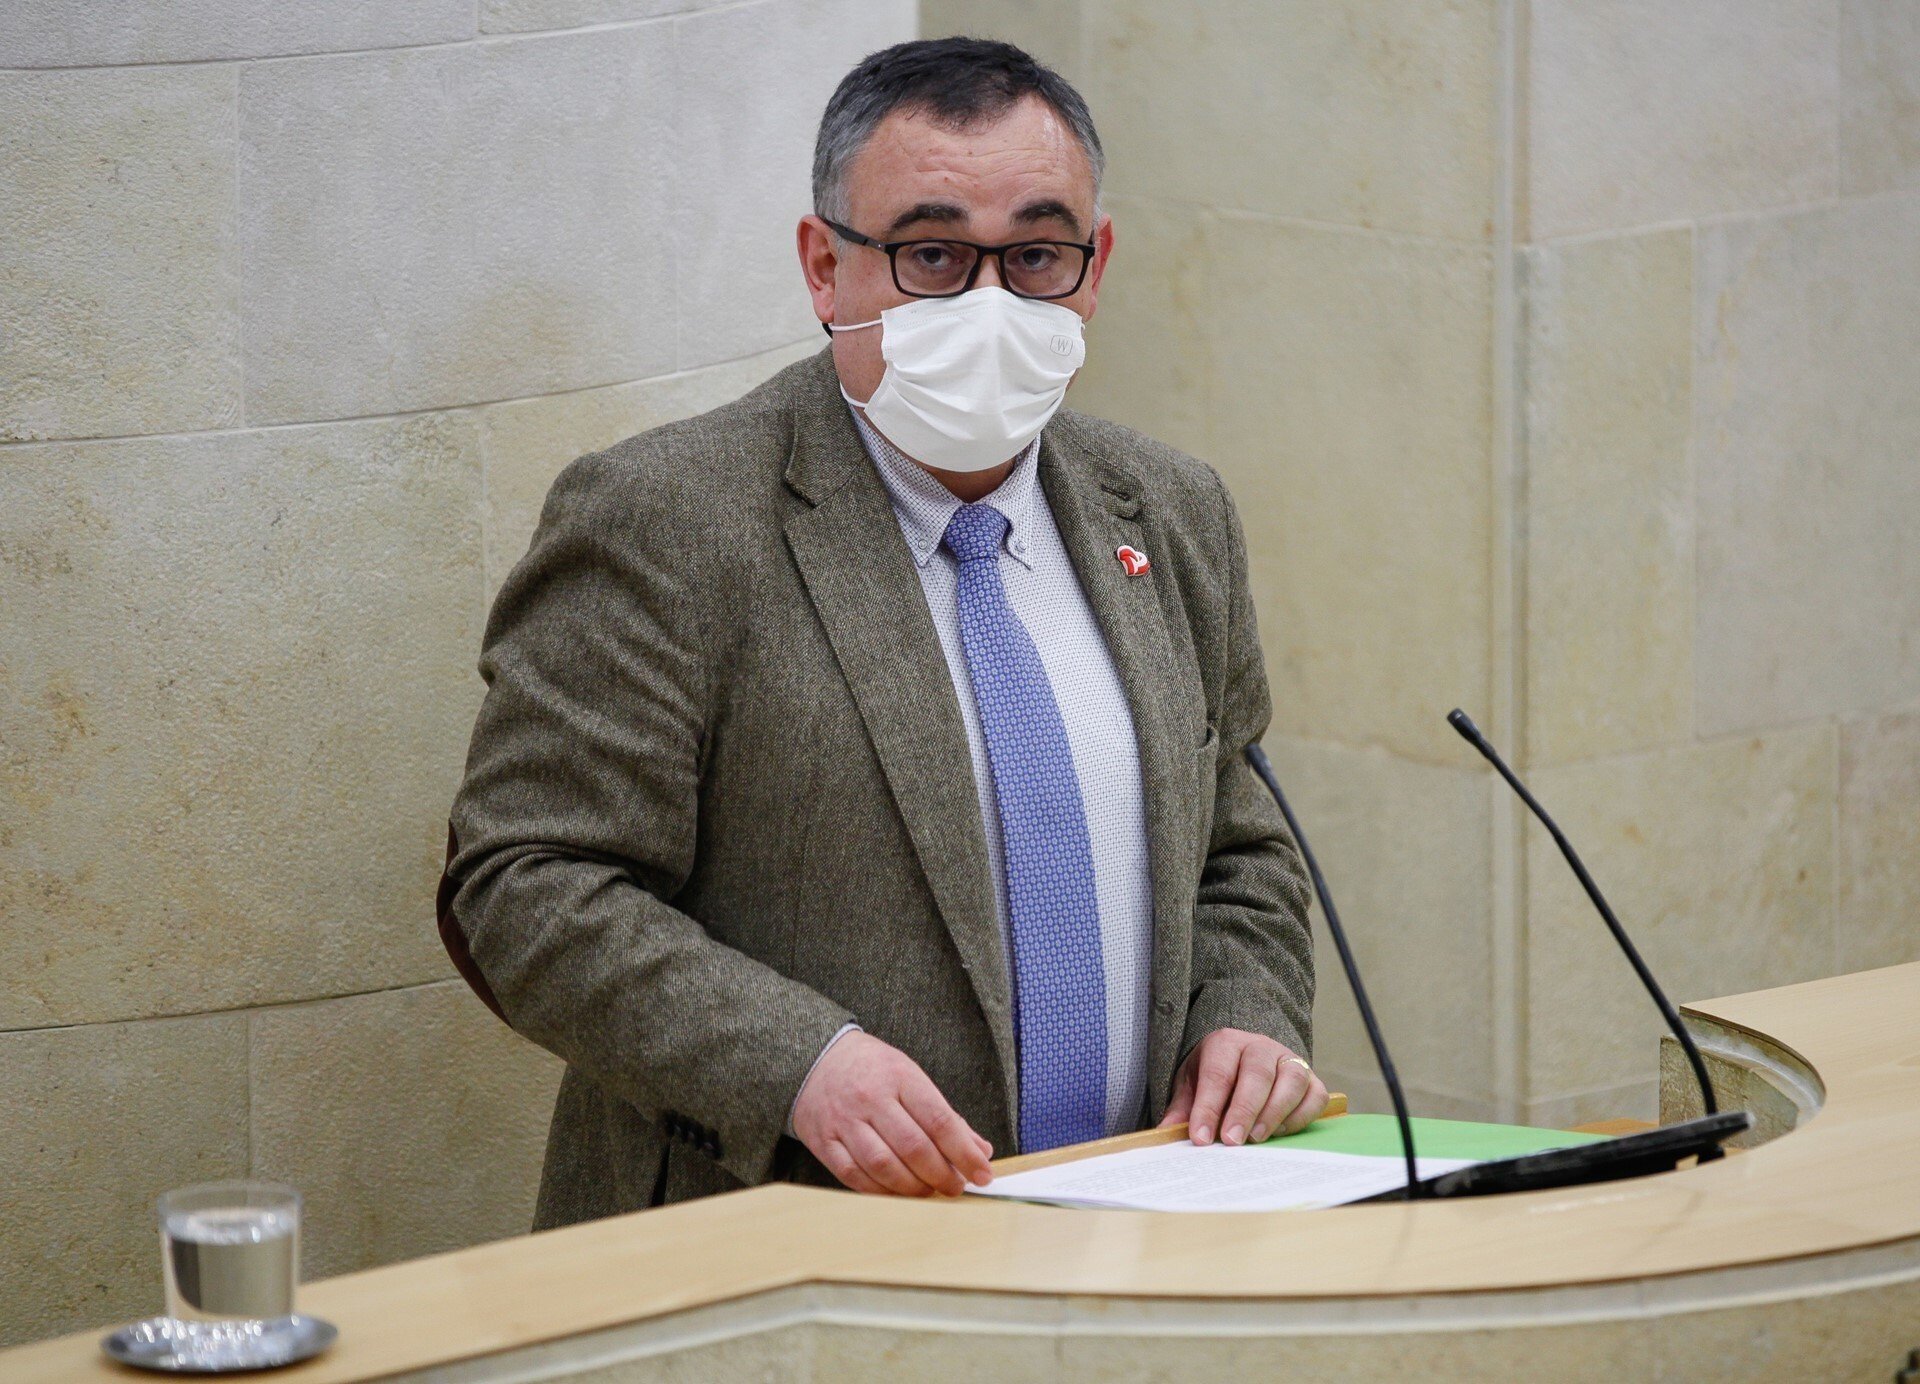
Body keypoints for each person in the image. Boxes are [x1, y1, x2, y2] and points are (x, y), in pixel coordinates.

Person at [439, 37, 1323, 1226]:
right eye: (933, 255)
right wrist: (797, 1065)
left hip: (1132, 1226)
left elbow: (1240, 850)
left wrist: (1247, 1015)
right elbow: (525, 883)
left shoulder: (1171, 511)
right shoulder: (666, 520)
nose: (991, 304)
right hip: (774, 1234)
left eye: (1036, 255)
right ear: (825, 266)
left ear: (1095, 266)